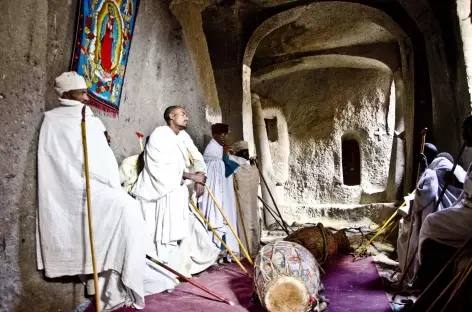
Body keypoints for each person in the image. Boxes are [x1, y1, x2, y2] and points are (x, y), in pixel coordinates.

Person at [36, 71, 165, 311]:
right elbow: (52, 161)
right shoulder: (53, 120)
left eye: (86, 92)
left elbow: (101, 159)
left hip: (96, 185)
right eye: (82, 92)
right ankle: (107, 281)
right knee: (124, 206)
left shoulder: (90, 118)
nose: (87, 97)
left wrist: (103, 142)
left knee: (126, 208)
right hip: (68, 190)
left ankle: (118, 279)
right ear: (67, 94)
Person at [131, 106, 210, 286]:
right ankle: (162, 273)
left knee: (177, 232)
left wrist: (199, 176)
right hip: (156, 194)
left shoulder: (183, 137)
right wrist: (192, 176)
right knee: (159, 235)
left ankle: (177, 271)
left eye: (186, 114)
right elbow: (159, 168)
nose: (187, 117)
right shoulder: (159, 135)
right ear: (171, 117)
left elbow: (196, 155)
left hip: (176, 191)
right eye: (182, 114)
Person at [396, 151, 466, 280]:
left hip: (437, 212)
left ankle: (415, 271)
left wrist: (424, 170)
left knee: (414, 231)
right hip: (455, 212)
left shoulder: (432, 172)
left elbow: (423, 198)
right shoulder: (460, 170)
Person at [199, 123, 241, 262]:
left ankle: (226, 252)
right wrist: (225, 157)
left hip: (225, 191)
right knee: (218, 218)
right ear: (214, 135)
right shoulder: (211, 149)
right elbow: (216, 167)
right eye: (221, 135)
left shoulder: (220, 148)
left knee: (227, 216)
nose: (224, 137)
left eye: (226, 134)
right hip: (217, 192)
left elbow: (224, 167)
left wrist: (226, 157)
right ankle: (217, 252)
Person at [229, 140, 261, 258]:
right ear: (237, 152)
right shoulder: (234, 160)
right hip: (241, 198)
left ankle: (252, 247)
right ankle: (246, 248)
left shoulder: (247, 163)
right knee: (244, 222)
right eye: (243, 152)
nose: (246, 155)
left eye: (247, 152)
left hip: (250, 199)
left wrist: (253, 166)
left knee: (252, 221)